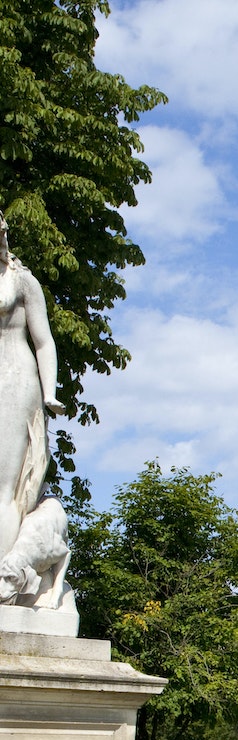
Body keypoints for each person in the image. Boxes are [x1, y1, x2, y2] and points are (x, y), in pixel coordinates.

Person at [0, 209, 71, 613]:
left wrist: (49, 393)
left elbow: (43, 341)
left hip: (13, 377)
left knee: (6, 487)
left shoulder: (21, 280)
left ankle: (6, 585)